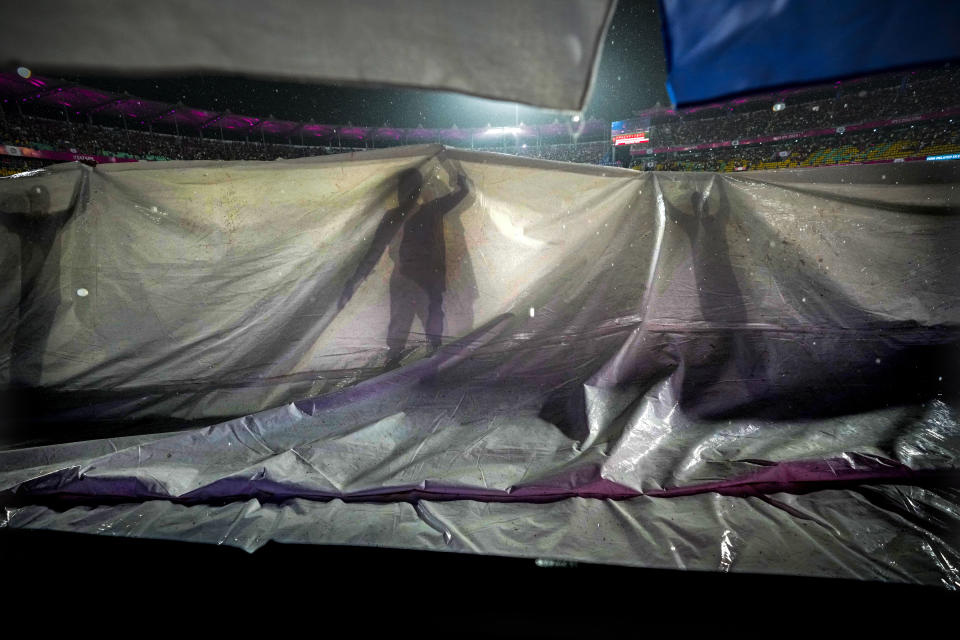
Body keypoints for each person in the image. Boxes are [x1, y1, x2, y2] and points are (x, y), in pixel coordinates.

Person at [339, 158, 472, 369]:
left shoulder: (400, 216)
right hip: (424, 280)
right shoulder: (430, 210)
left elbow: (372, 255)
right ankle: (426, 361)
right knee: (425, 328)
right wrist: (451, 166)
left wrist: (354, 281)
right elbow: (464, 190)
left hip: (410, 280)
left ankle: (400, 361)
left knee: (405, 330)